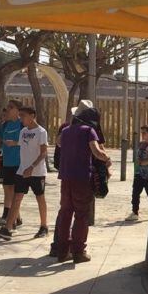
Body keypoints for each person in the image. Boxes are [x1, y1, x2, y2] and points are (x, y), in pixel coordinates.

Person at [52, 101, 111, 263]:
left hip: (65, 177)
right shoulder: (88, 131)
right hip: (82, 177)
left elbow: (58, 143)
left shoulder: (65, 131)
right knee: (81, 214)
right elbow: (97, 151)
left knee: (65, 213)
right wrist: (107, 159)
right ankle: (78, 252)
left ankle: (62, 252)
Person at [0, 107, 49, 241]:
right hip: (22, 171)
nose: (21, 118)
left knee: (40, 198)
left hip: (37, 172)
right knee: (17, 198)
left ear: (32, 116)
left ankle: (44, 226)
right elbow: (24, 145)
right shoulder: (23, 131)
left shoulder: (41, 132)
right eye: (20, 115)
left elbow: (43, 152)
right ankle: (8, 228)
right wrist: (14, 144)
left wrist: (32, 167)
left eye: (23, 115)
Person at [0, 100, 23, 228]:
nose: (7, 109)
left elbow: (28, 142)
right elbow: (0, 140)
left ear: (18, 110)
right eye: (7, 107)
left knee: (13, 190)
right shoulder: (5, 125)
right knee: (7, 189)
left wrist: (15, 143)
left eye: (11, 107)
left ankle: (8, 216)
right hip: (6, 162)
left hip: (18, 162)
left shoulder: (23, 125)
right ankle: (16, 217)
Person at [128, 124, 148, 221]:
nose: (142, 135)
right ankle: (135, 212)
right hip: (139, 173)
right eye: (142, 133)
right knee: (135, 192)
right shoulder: (141, 144)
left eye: (144, 133)